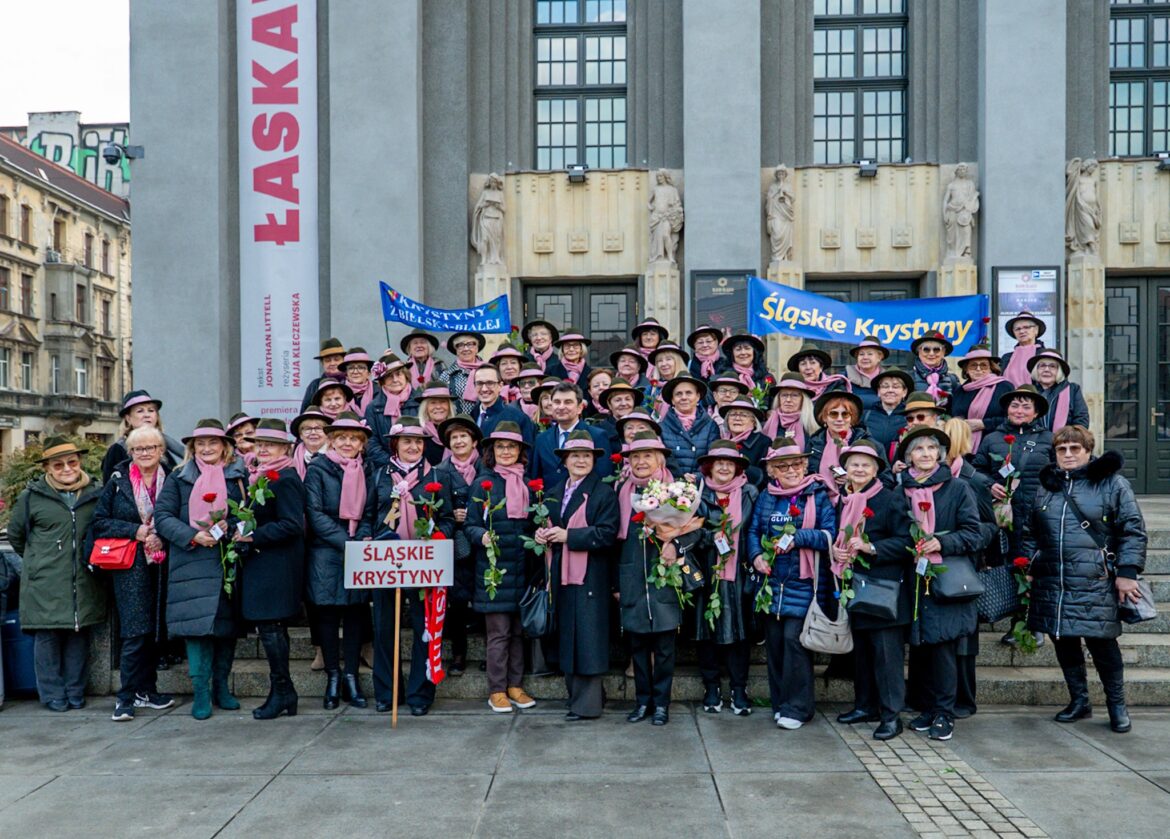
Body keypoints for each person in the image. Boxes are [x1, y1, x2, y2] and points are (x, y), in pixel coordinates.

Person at [1022, 425, 1147, 734]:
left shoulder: (1112, 484)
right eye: (1062, 449)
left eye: (1075, 448)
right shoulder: (1047, 487)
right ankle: (1079, 701)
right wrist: (1030, 563)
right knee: (1063, 641)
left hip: (1095, 579)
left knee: (1102, 644)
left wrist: (1128, 573)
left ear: (1088, 451)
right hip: (1054, 580)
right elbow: (1030, 530)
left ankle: (1117, 705)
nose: (1068, 454)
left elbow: (1132, 529)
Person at [153, 420, 248, 720]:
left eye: (213, 442)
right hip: (191, 563)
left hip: (226, 562)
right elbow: (162, 516)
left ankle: (221, 687)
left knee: (226, 629)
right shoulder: (179, 477)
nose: (207, 448)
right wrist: (192, 536)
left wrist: (230, 525)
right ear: (192, 448)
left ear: (225, 446)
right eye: (200, 443)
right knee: (196, 631)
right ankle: (201, 693)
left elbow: (248, 515)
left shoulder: (237, 476)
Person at [896, 426, 984, 742]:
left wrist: (942, 543)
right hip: (912, 579)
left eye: (931, 449)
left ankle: (945, 712)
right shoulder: (900, 490)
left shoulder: (957, 488)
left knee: (944, 647)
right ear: (909, 458)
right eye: (918, 449)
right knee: (922, 648)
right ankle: (929, 707)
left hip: (945, 579)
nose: (925, 454)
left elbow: (974, 533)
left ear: (940, 455)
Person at [8, 437, 106, 712]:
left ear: (79, 462)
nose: (67, 469)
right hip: (45, 580)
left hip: (83, 579)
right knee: (48, 638)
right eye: (58, 465)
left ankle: (75, 691)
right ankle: (52, 694)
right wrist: (39, 561)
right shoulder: (32, 497)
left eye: (72, 462)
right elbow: (16, 535)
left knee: (78, 635)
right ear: (48, 468)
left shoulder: (94, 493)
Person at [746, 438, 836, 730]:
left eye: (796, 464)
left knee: (794, 643)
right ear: (772, 471)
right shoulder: (767, 496)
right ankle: (780, 704)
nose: (791, 470)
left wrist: (798, 538)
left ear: (804, 466)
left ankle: (798, 709)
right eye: (783, 466)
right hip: (772, 584)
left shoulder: (817, 494)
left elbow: (829, 535)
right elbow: (754, 531)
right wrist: (756, 556)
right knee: (774, 646)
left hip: (804, 584)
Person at [90, 425, 176, 721]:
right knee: (135, 632)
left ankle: (147, 691)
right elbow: (99, 522)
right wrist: (136, 531)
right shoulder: (118, 481)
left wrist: (162, 535)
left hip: (164, 564)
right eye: (139, 448)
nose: (145, 453)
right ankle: (125, 698)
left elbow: (180, 517)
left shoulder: (173, 479)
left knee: (154, 631)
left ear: (161, 450)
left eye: (151, 447)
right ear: (130, 452)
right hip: (130, 567)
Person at [372, 416, 456, 716]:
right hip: (386, 561)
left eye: (418, 442)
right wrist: (370, 539)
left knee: (424, 628)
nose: (413, 447)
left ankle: (421, 693)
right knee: (385, 627)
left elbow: (447, 519)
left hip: (423, 562)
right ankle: (387, 692)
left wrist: (437, 534)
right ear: (395, 444)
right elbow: (370, 514)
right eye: (407, 441)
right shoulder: (380, 475)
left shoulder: (437, 476)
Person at [831, 439, 912, 740]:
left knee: (886, 656)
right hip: (854, 585)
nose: (860, 469)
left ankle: (891, 715)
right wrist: (836, 551)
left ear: (877, 469)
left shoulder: (890, 499)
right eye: (854, 464)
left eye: (866, 465)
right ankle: (865, 706)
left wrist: (871, 547)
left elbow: (906, 541)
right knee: (862, 653)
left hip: (883, 589)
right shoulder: (844, 500)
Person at [538, 430, 620, 720]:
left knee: (588, 638)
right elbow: (547, 523)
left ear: (594, 460)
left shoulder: (603, 493)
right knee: (569, 636)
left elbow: (607, 534)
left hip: (591, 575)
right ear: (565, 460)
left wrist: (569, 536)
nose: (581, 461)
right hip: (561, 573)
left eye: (586, 456)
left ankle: (587, 705)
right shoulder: (555, 491)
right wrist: (541, 534)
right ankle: (578, 698)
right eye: (575, 456)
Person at [616, 432, 697, 726]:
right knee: (638, 647)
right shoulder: (621, 490)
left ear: (659, 459)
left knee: (664, 649)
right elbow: (614, 540)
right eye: (635, 456)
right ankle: (642, 702)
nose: (641, 461)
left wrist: (675, 545)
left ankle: (661, 704)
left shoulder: (677, 491)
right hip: (632, 578)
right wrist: (616, 583)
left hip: (665, 581)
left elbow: (696, 532)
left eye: (647, 455)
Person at [303, 412, 378, 710]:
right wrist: (348, 543)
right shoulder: (318, 468)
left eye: (354, 439)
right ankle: (333, 677)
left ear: (361, 444)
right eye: (342, 437)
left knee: (356, 612)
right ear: (332, 440)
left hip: (358, 547)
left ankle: (351, 676)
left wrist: (362, 537)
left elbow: (371, 511)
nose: (348, 443)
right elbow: (315, 513)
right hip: (326, 550)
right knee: (328, 614)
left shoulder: (368, 470)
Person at [464, 421, 539, 713]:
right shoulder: (483, 484)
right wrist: (481, 536)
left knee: (518, 632)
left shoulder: (527, 484)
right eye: (501, 447)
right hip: (494, 570)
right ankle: (496, 689)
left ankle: (515, 685)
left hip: (522, 568)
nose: (506, 451)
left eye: (512, 447)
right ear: (491, 452)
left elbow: (532, 523)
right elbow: (470, 524)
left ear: (520, 451)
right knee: (499, 633)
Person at [697, 439, 759, 716]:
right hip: (707, 570)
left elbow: (755, 528)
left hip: (739, 572)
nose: (724, 467)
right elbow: (689, 531)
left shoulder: (750, 493)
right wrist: (710, 537)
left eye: (729, 463)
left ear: (737, 467)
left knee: (739, 633)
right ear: (709, 466)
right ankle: (711, 687)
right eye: (719, 462)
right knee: (707, 631)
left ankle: (738, 688)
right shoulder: (698, 493)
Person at [973, 385, 1055, 560]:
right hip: (1003, 515)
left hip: (1039, 514)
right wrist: (989, 485)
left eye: (1026, 407)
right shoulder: (991, 439)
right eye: (1015, 406)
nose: (1019, 411)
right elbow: (977, 470)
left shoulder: (1049, 439)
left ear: (1036, 413)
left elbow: (1058, 472)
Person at [433, 415, 483, 675]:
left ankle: (489, 652)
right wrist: (451, 514)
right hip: (457, 542)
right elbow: (434, 507)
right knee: (458, 601)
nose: (459, 441)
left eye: (464, 436)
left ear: (474, 441)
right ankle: (458, 654)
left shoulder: (487, 467)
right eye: (454, 437)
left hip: (483, 539)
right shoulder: (440, 471)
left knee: (486, 596)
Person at [531, 382, 613, 486]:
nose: (561, 407)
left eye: (568, 402)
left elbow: (603, 476)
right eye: (557, 402)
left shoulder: (597, 436)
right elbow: (536, 477)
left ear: (580, 408)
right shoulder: (541, 439)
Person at [102, 390, 186, 481]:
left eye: (151, 410)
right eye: (140, 411)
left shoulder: (162, 447)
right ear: (128, 418)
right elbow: (110, 485)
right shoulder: (118, 449)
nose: (147, 415)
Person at [807, 391, 878, 497]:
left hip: (859, 499)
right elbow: (806, 477)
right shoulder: (813, 444)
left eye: (845, 414)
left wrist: (856, 480)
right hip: (820, 500)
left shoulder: (869, 444)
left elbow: (885, 480)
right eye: (833, 414)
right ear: (824, 418)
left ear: (852, 418)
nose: (839, 419)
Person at [950, 343, 1013, 451]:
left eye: (983, 365)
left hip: (995, 446)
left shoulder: (1004, 387)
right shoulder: (960, 390)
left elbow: (1012, 418)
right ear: (966, 369)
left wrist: (984, 424)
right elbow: (953, 416)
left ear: (991, 368)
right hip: (963, 446)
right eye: (973, 365)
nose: (978, 369)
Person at [659, 374, 720, 477]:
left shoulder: (711, 426)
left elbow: (713, 456)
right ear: (672, 400)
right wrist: (680, 479)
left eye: (689, 393)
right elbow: (663, 459)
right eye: (678, 394)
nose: (684, 397)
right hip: (670, 482)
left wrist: (697, 476)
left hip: (702, 481)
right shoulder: (661, 428)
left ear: (698, 396)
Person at [364, 352, 416, 468]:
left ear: (406, 376)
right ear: (382, 381)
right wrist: (392, 463)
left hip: (418, 465)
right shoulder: (373, 408)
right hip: (386, 467)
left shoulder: (419, 402)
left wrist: (416, 462)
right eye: (389, 376)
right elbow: (371, 442)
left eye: (398, 374)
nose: (395, 379)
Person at [469, 363, 536, 446]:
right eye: (479, 383)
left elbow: (527, 451)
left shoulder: (518, 418)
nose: (484, 389)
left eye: (490, 383)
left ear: (500, 386)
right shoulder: (471, 417)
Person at [1029, 349, 1090, 432]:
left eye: (1052, 366)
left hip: (1064, 439)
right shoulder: (1028, 391)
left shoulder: (1072, 390)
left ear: (1059, 371)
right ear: (1036, 370)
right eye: (1042, 366)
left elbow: (1081, 421)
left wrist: (1067, 437)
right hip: (1034, 439)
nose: (1046, 369)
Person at [862, 369, 913, 460]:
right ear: (878, 391)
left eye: (896, 387)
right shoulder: (865, 416)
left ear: (904, 392)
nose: (890, 390)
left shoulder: (911, 417)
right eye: (885, 387)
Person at [719, 397, 770, 487]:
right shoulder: (720, 442)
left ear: (753, 422)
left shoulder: (764, 443)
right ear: (727, 420)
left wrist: (741, 467)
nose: (737, 418)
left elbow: (767, 477)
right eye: (733, 414)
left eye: (743, 415)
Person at [762, 372, 818, 446]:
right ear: (778, 399)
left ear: (803, 399)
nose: (788, 400)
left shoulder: (811, 426)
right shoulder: (767, 426)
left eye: (794, 395)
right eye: (784, 395)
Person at [440, 331, 486, 415]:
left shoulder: (488, 371)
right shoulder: (447, 375)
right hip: (458, 421)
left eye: (470, 344)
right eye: (460, 345)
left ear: (477, 348)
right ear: (456, 350)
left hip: (485, 420)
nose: (466, 349)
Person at [911, 332, 960, 406]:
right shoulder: (909, 377)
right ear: (919, 352)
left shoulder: (953, 380)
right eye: (926, 349)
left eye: (936, 349)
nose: (931, 353)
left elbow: (958, 407)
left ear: (943, 352)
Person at [301, 337, 348, 412]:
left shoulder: (352, 383)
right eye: (327, 360)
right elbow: (305, 414)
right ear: (322, 363)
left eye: (336, 359)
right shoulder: (315, 386)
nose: (332, 363)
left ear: (344, 361)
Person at [1000, 311, 1047, 387]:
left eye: (1026, 327)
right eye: (1017, 329)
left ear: (1036, 330)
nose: (1021, 331)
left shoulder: (1044, 355)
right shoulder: (1006, 358)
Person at [846, 336, 890, 412]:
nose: (865, 357)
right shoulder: (844, 377)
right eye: (861, 354)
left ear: (879, 357)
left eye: (870, 354)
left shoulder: (889, 377)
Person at [291, 408, 331, 479]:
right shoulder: (292, 456)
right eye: (308, 429)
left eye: (318, 428)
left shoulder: (336, 456)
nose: (313, 432)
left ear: (327, 433)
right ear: (301, 435)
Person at [340, 347, 376, 415]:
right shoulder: (339, 392)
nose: (355, 372)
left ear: (368, 373)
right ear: (346, 373)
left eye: (361, 367)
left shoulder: (379, 392)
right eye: (351, 368)